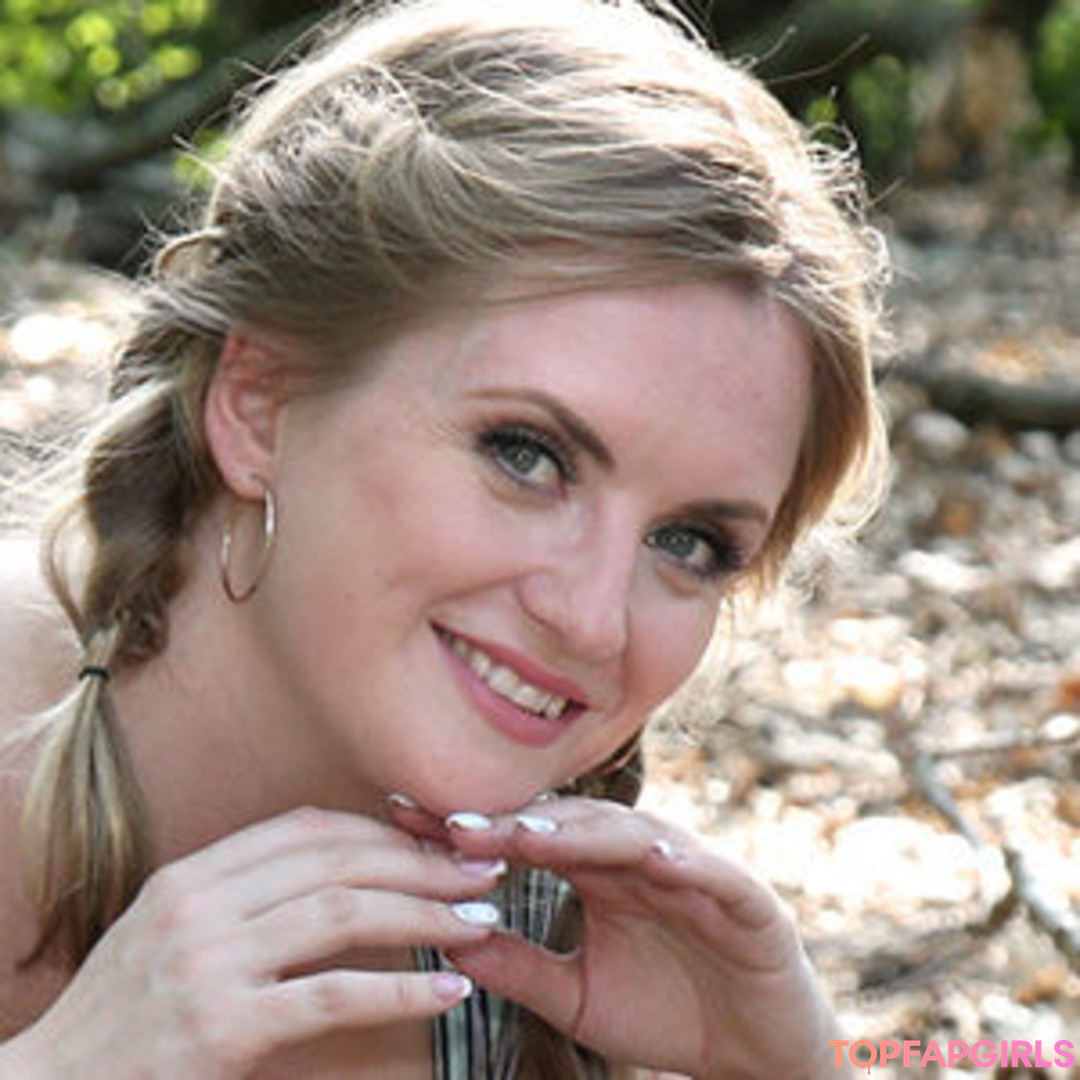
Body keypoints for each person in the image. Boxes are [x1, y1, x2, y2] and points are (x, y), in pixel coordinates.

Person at [0, 0, 889, 1076]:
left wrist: (790, 1065)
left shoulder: (560, 927)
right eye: (526, 454)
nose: (593, 621)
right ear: (259, 404)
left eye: (690, 542)